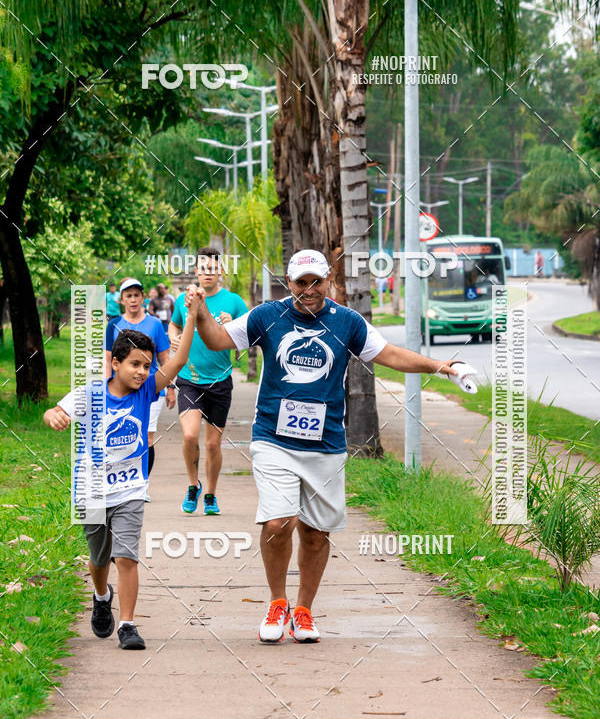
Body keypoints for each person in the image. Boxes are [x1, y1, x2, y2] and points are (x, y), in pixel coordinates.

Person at [189, 248, 459, 644]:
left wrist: (440, 366)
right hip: (273, 439)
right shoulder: (267, 316)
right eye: (301, 282)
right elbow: (215, 340)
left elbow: (392, 355)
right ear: (290, 283)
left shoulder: (348, 322)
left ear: (329, 282)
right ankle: (277, 602)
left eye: (317, 281)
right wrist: (198, 314)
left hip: (326, 444)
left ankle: (303, 611)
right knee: (278, 521)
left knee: (316, 533)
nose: (309, 290)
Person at [43, 289, 202, 649]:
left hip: (130, 487)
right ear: (115, 363)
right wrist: (55, 416)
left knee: (125, 555)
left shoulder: (146, 392)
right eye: (135, 364)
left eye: (147, 366)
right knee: (99, 558)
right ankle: (101, 597)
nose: (143, 372)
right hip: (92, 488)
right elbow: (56, 410)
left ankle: (128, 625)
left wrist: (192, 315)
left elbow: (177, 361)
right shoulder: (93, 391)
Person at [169, 247, 248, 516]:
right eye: (203, 269)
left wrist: (232, 323)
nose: (208, 273)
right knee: (190, 434)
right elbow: (174, 324)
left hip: (220, 380)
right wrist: (173, 337)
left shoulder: (234, 301)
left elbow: (249, 334)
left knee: (213, 444)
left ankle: (211, 494)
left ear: (221, 272)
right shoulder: (185, 298)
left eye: (213, 269)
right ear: (196, 271)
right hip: (189, 378)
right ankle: (193, 485)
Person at [104, 279, 176, 498]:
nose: (133, 300)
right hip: (119, 391)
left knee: (146, 437)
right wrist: (105, 386)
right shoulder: (113, 324)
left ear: (143, 298)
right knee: (122, 435)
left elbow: (165, 358)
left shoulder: (154, 324)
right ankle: (121, 482)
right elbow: (108, 359)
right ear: (122, 300)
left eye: (137, 295)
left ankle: (142, 483)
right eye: (129, 296)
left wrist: (171, 387)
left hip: (150, 389)